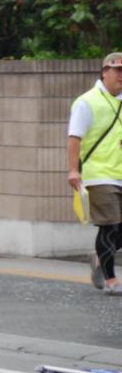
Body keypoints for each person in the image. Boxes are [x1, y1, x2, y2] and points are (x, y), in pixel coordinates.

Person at [68, 53, 122, 295]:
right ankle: (111, 280)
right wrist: (73, 170)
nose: (121, 75)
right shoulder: (87, 102)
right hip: (99, 175)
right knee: (110, 226)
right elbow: (74, 138)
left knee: (116, 230)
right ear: (104, 72)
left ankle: (101, 258)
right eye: (116, 70)